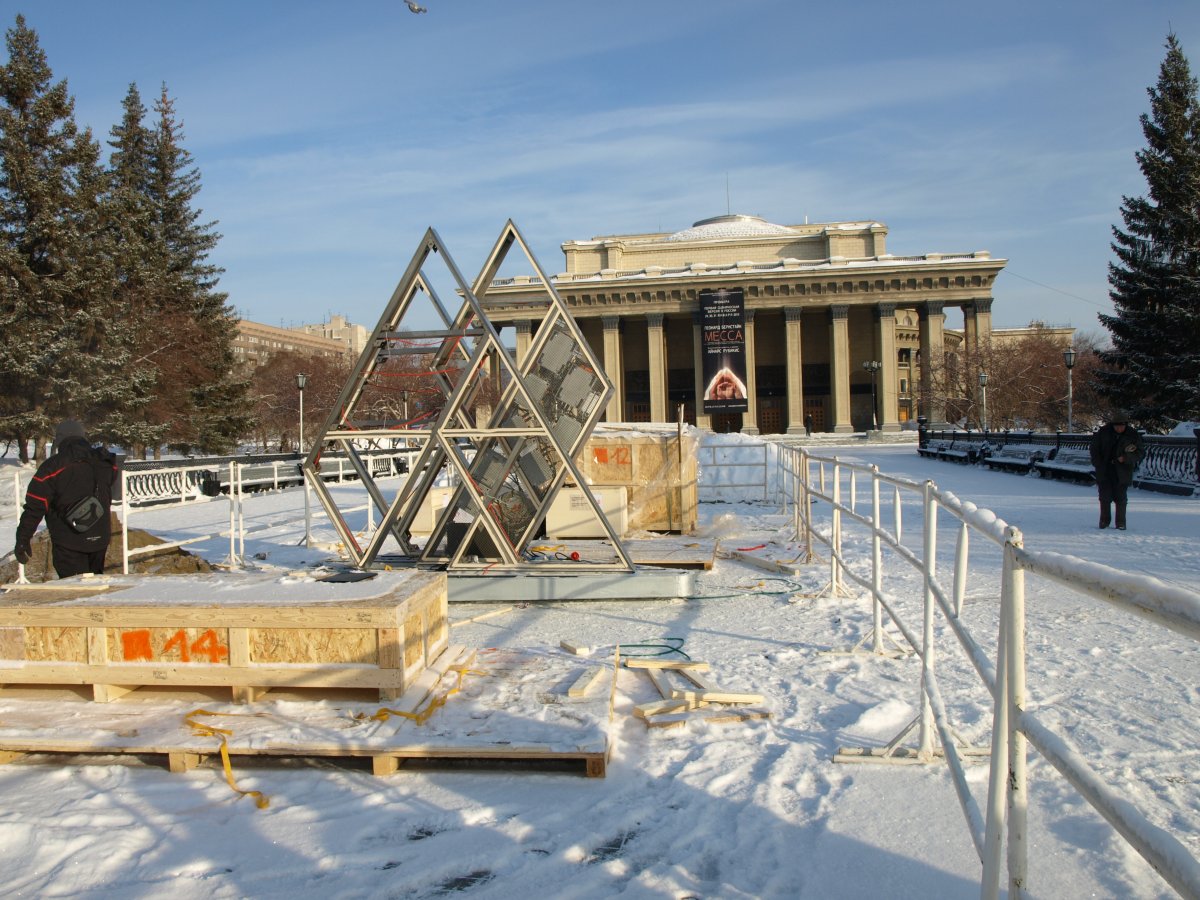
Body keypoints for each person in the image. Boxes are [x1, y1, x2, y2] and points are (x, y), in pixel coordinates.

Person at [13, 420, 119, 577]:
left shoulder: (52, 467)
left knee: (75, 592)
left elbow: (35, 507)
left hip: (69, 541)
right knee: (96, 588)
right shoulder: (104, 461)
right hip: (100, 538)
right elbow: (112, 491)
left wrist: (23, 539)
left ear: (60, 439)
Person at [1089, 411, 1145, 530]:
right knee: (1105, 496)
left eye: (1122, 426)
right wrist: (1098, 463)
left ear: (1126, 425)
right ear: (1112, 424)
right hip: (1105, 469)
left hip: (1123, 470)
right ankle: (1104, 521)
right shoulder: (1103, 433)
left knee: (1121, 498)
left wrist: (1125, 458)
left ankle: (1121, 523)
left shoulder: (1132, 435)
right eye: (1117, 425)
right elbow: (1094, 449)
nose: (1119, 428)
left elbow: (1140, 452)